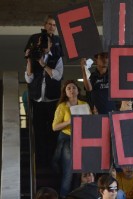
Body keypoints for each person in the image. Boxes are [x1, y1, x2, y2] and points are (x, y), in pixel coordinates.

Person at [24, 16, 64, 167]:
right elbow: (28, 79)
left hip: (52, 100)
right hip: (37, 99)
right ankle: (39, 161)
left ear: (52, 44)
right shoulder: (34, 56)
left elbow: (58, 75)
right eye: (42, 42)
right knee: (38, 132)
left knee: (52, 133)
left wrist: (43, 64)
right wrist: (30, 61)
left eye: (47, 43)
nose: (45, 45)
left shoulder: (57, 57)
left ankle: (51, 162)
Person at [52, 80, 90, 198]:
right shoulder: (62, 106)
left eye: (74, 88)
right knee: (68, 172)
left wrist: (93, 115)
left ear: (78, 91)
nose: (72, 90)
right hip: (67, 138)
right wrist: (69, 121)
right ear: (65, 92)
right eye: (69, 88)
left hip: (82, 138)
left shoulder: (84, 104)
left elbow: (90, 123)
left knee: (79, 172)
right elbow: (54, 127)